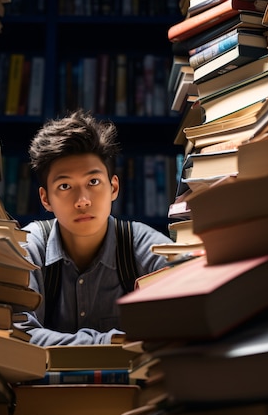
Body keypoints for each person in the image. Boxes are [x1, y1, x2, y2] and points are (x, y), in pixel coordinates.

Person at [16, 109, 173, 346]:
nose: (83, 200)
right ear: (45, 199)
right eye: (65, 186)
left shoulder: (143, 244)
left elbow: (186, 313)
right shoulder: (30, 247)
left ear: (114, 188)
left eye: (93, 182)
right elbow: (18, 333)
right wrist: (113, 342)